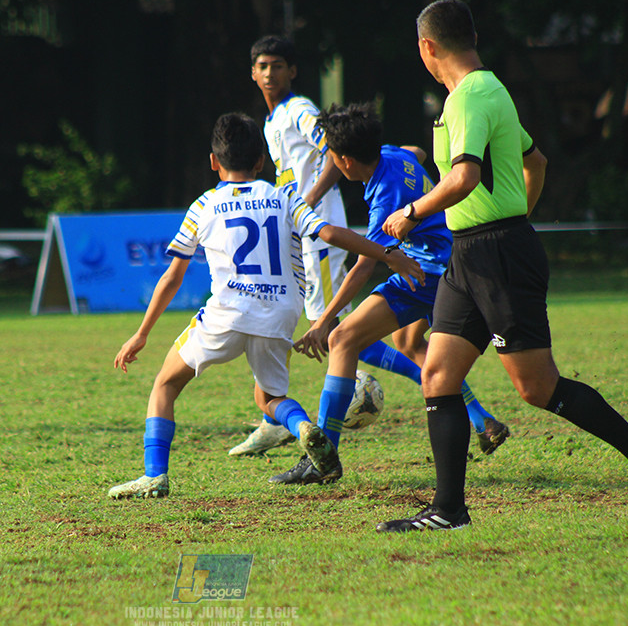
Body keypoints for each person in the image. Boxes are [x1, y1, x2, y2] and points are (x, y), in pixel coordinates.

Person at [375, 0, 628, 532]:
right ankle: (448, 511)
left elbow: (465, 177)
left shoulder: (473, 95)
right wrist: (516, 214)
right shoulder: (474, 95)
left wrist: (412, 211)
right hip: (471, 254)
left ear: (428, 47)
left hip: (497, 255)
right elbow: (534, 162)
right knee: (438, 374)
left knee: (536, 388)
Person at [108, 113, 425, 499]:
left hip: (226, 312)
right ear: (261, 161)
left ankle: (154, 476)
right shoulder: (284, 195)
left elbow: (172, 276)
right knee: (270, 398)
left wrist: (142, 334)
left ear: (213, 161)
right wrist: (388, 256)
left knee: (165, 384)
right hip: (280, 312)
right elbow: (329, 232)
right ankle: (304, 426)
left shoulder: (204, 204)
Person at [269, 103, 508, 485]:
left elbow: (366, 263)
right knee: (410, 343)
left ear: (344, 161)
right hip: (451, 262)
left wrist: (326, 320)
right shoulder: (393, 155)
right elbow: (418, 152)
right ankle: (484, 422)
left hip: (425, 272)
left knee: (343, 338)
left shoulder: (384, 198)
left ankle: (323, 457)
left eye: (330, 156)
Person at [231, 34, 442, 457]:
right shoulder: (271, 122)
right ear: (253, 73)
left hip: (321, 233)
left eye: (277, 65)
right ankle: (276, 417)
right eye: (262, 66)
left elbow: (334, 150)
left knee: (336, 333)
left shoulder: (299, 110)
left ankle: (422, 381)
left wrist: (306, 202)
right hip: (301, 235)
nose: (270, 73)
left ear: (292, 70)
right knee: (292, 323)